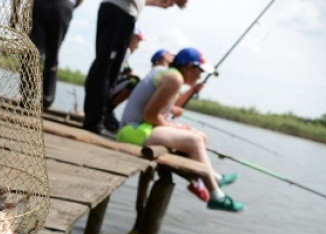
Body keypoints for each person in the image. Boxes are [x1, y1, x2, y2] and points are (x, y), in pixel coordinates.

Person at [117, 47, 244, 212]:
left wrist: (177, 123)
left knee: (201, 136)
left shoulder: (170, 75)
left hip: (142, 127)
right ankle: (216, 195)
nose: (200, 76)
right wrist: (172, 125)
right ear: (189, 67)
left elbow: (169, 108)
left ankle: (208, 179)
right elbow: (150, 115)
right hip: (131, 130)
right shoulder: (174, 79)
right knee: (194, 140)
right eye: (199, 71)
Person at [82, 0, 188, 134]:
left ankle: (96, 118)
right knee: (106, 69)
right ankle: (94, 120)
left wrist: (158, 3)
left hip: (122, 12)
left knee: (108, 67)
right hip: (119, 12)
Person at [30, 0, 83, 110]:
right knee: (51, 54)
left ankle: (29, 95)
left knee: (34, 51)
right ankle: (46, 99)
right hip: (63, 6)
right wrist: (73, 6)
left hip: (42, 4)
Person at [103, 27, 145, 132]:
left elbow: (127, 70)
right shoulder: (126, 51)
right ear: (131, 38)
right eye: (137, 40)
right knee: (134, 81)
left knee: (135, 80)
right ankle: (108, 110)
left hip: (102, 87)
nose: (138, 46)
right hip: (104, 88)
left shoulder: (120, 49)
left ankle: (108, 110)